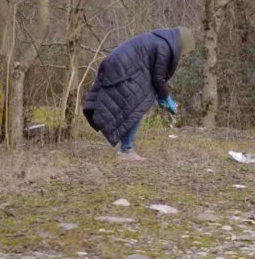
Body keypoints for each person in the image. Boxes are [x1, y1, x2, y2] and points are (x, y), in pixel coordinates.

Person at [83, 27, 195, 161]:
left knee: (135, 104)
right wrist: (167, 99)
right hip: (122, 69)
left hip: (118, 65)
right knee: (137, 105)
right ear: (180, 46)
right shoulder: (164, 47)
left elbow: (156, 77)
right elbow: (158, 78)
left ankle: (126, 148)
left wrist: (162, 98)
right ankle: (127, 149)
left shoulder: (160, 41)